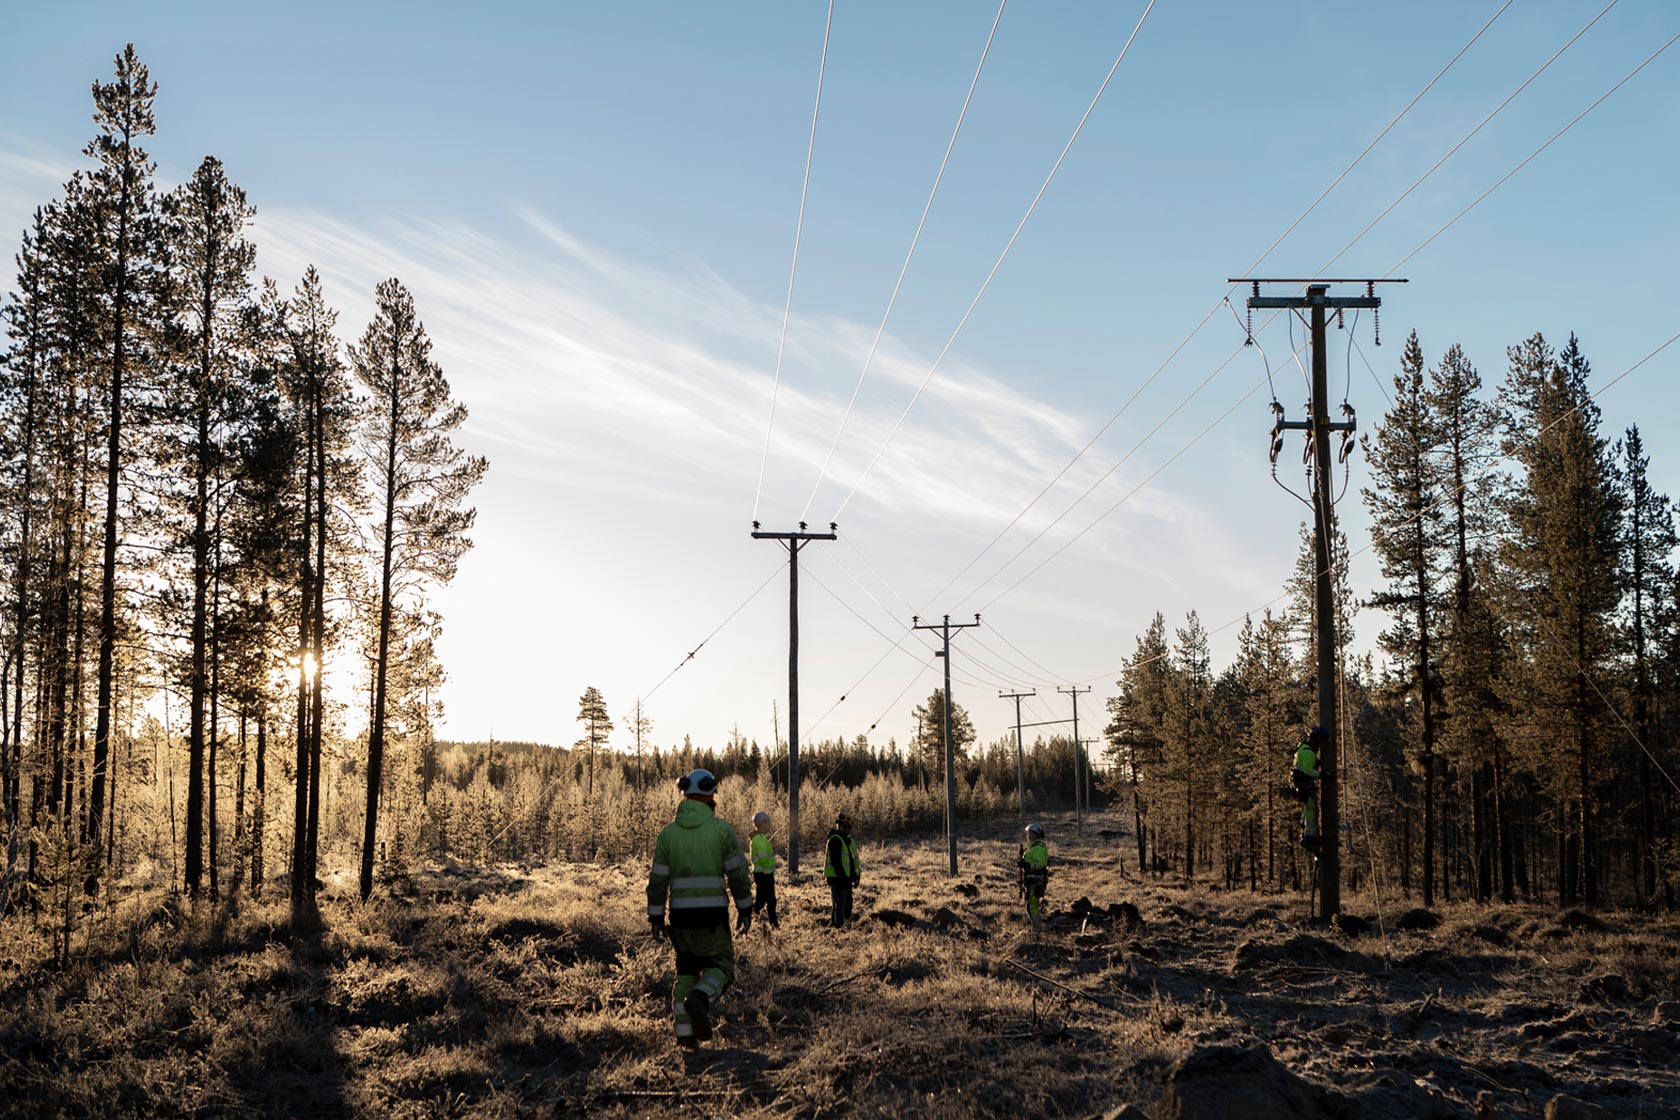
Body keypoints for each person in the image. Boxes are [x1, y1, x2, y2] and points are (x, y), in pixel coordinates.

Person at [646, 769, 753, 1049]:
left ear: (684, 795)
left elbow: (657, 881)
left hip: (679, 917)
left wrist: (656, 916)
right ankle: (701, 1000)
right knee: (721, 967)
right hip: (712, 916)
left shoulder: (667, 835)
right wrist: (745, 909)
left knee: (685, 973)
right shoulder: (722, 831)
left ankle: (685, 1037)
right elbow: (739, 876)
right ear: (711, 795)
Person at [823, 811, 860, 928]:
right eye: (846, 827)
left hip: (846, 879)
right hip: (837, 879)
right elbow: (836, 863)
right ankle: (836, 928)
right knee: (839, 904)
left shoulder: (848, 841)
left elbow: (853, 861)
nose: (847, 829)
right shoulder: (835, 840)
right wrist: (844, 878)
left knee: (848, 904)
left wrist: (855, 877)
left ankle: (844, 925)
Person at [1293, 726, 1326, 851]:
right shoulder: (1308, 752)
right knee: (1311, 809)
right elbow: (1308, 770)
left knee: (1308, 808)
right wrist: (1322, 775)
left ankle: (1307, 833)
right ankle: (1309, 836)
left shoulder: (1303, 747)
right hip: (1304, 784)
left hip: (1301, 784)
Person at [748, 809, 780, 931]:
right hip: (764, 874)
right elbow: (764, 859)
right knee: (771, 901)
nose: (769, 825)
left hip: (763, 874)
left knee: (762, 901)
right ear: (761, 824)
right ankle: (774, 925)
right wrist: (773, 863)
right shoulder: (759, 839)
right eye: (767, 823)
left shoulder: (760, 838)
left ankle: (753, 919)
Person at [1019, 822, 1050, 932]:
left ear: (1037, 835)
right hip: (1031, 880)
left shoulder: (1039, 848)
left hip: (1036, 880)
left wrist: (1028, 865)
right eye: (1028, 834)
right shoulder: (1031, 848)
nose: (1029, 836)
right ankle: (1036, 928)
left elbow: (1040, 863)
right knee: (1030, 905)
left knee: (1032, 906)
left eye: (1032, 834)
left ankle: (1037, 929)